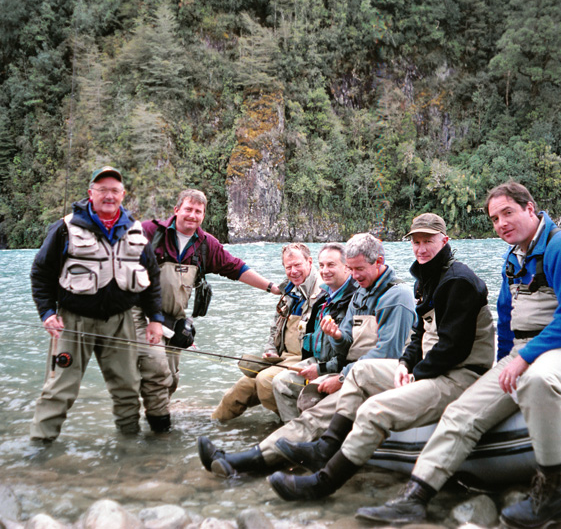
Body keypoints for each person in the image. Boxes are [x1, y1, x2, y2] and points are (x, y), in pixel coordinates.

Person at [356, 181, 561, 529]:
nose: (501, 223)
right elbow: (505, 318)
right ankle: (416, 496)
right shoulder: (513, 256)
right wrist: (502, 363)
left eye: (508, 213)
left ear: (530, 208)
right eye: (494, 218)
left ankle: (553, 494)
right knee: (459, 412)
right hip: (523, 349)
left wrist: (523, 359)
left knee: (538, 380)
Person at [267, 213, 496, 501]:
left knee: (373, 409)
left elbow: (453, 349)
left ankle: (322, 484)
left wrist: (416, 374)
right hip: (434, 368)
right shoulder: (426, 278)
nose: (421, 248)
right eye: (416, 242)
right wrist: (404, 364)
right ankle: (326, 447)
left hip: (461, 373)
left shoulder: (458, 281)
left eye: (428, 241)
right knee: (361, 372)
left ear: (445, 241)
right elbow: (418, 337)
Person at [197, 233, 416, 477]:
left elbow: (387, 354)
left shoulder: (397, 296)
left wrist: (339, 377)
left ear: (379, 261)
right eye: (351, 269)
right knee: (303, 412)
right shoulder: (361, 292)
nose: (355, 276)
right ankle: (246, 458)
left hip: (374, 379)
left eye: (359, 269)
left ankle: (242, 462)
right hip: (355, 373)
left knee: (311, 418)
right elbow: (345, 346)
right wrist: (337, 337)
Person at [29, 166, 164, 441]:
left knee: (127, 388)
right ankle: (39, 448)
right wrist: (46, 313)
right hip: (73, 321)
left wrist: (156, 320)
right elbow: (41, 272)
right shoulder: (65, 228)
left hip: (122, 321)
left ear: (123, 195)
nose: (109, 195)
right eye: (102, 190)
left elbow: (152, 277)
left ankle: (129, 446)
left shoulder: (135, 231)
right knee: (59, 388)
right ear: (90, 193)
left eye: (114, 190)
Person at [136, 189, 279, 433]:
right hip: (141, 316)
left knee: (170, 378)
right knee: (157, 370)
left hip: (173, 320)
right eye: (188, 209)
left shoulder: (204, 245)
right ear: (176, 210)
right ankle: (158, 430)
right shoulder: (150, 232)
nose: (192, 215)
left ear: (203, 215)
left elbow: (236, 268)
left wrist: (271, 287)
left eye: (198, 211)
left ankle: (150, 423)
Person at [211, 243, 322, 421]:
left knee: (264, 380)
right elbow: (274, 329)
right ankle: (212, 426)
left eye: (298, 265)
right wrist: (270, 350)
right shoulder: (289, 291)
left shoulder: (324, 291)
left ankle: (293, 425)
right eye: (288, 267)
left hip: (306, 360)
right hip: (283, 358)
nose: (293, 271)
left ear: (309, 262)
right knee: (241, 388)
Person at [272, 243, 358, 422]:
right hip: (318, 360)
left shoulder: (354, 299)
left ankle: (306, 433)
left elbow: (350, 354)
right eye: (322, 265)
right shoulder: (324, 298)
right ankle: (292, 430)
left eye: (331, 265)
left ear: (347, 267)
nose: (325, 271)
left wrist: (319, 369)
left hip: (337, 367)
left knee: (301, 391)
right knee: (280, 382)